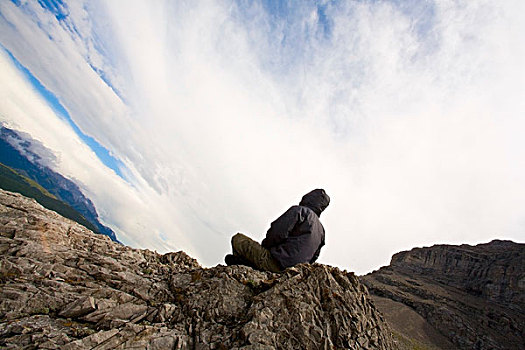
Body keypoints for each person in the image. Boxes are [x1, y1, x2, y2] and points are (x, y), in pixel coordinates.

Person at [225, 189, 330, 272]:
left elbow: (277, 233)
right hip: (293, 273)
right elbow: (314, 257)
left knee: (238, 239)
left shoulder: (300, 211)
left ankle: (244, 266)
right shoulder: (322, 231)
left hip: (276, 263)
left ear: (309, 197)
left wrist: (265, 247)